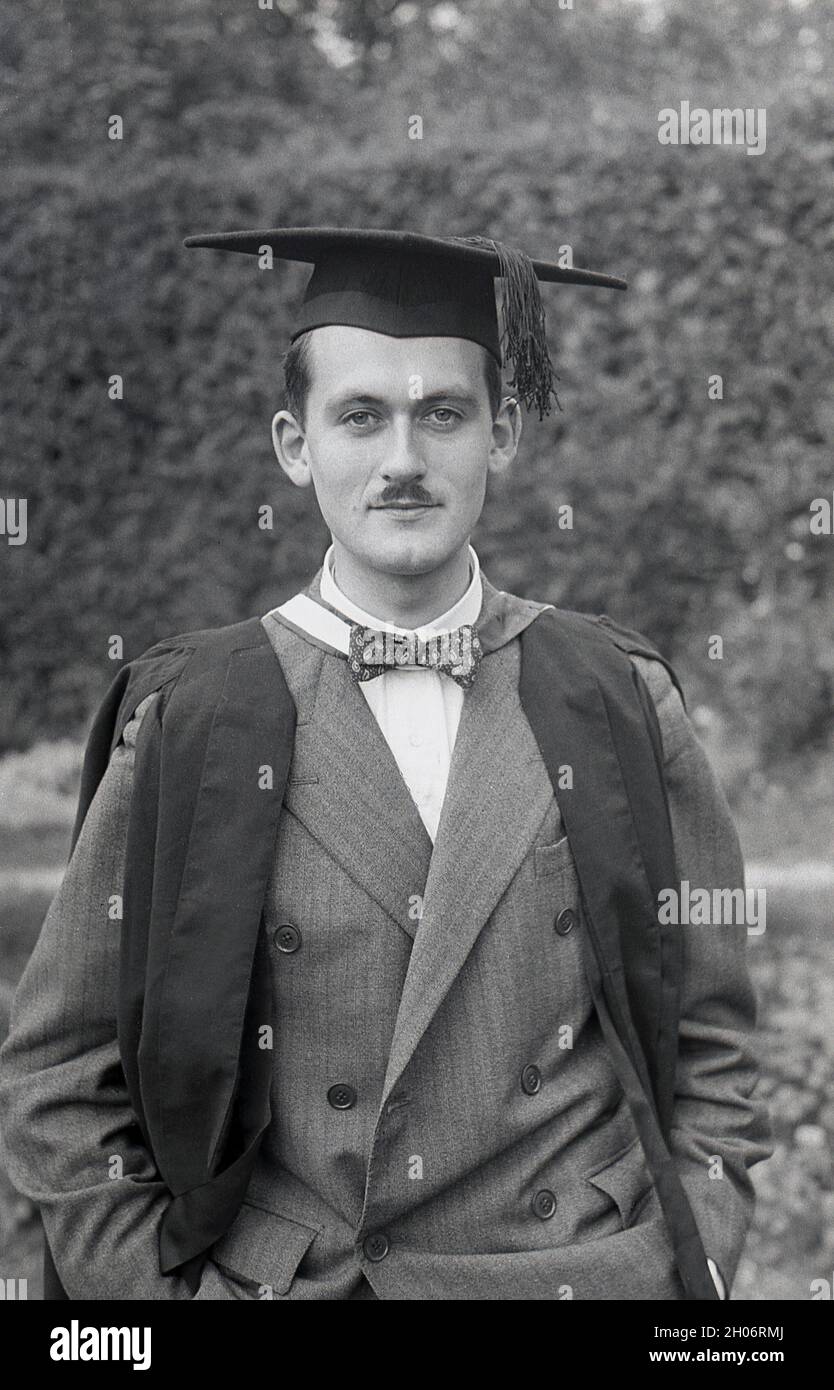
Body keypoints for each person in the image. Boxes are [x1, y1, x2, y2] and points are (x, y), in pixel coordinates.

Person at [0, 227, 771, 1301]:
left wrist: (693, 1261)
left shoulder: (616, 695)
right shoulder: (194, 718)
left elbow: (714, 1038)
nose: (403, 459)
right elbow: (61, 1075)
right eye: (360, 415)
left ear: (500, 433)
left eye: (441, 414)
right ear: (293, 444)